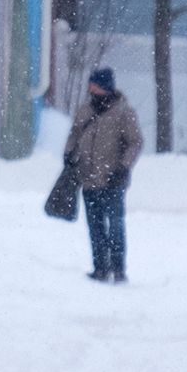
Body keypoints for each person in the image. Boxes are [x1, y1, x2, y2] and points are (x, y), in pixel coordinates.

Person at [63, 65, 143, 282]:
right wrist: (69, 154)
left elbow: (135, 143)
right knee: (95, 226)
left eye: (94, 84)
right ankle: (100, 267)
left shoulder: (123, 112)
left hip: (113, 179)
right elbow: (74, 135)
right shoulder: (85, 111)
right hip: (88, 178)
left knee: (115, 224)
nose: (90, 88)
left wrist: (123, 166)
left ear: (104, 87)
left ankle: (118, 269)